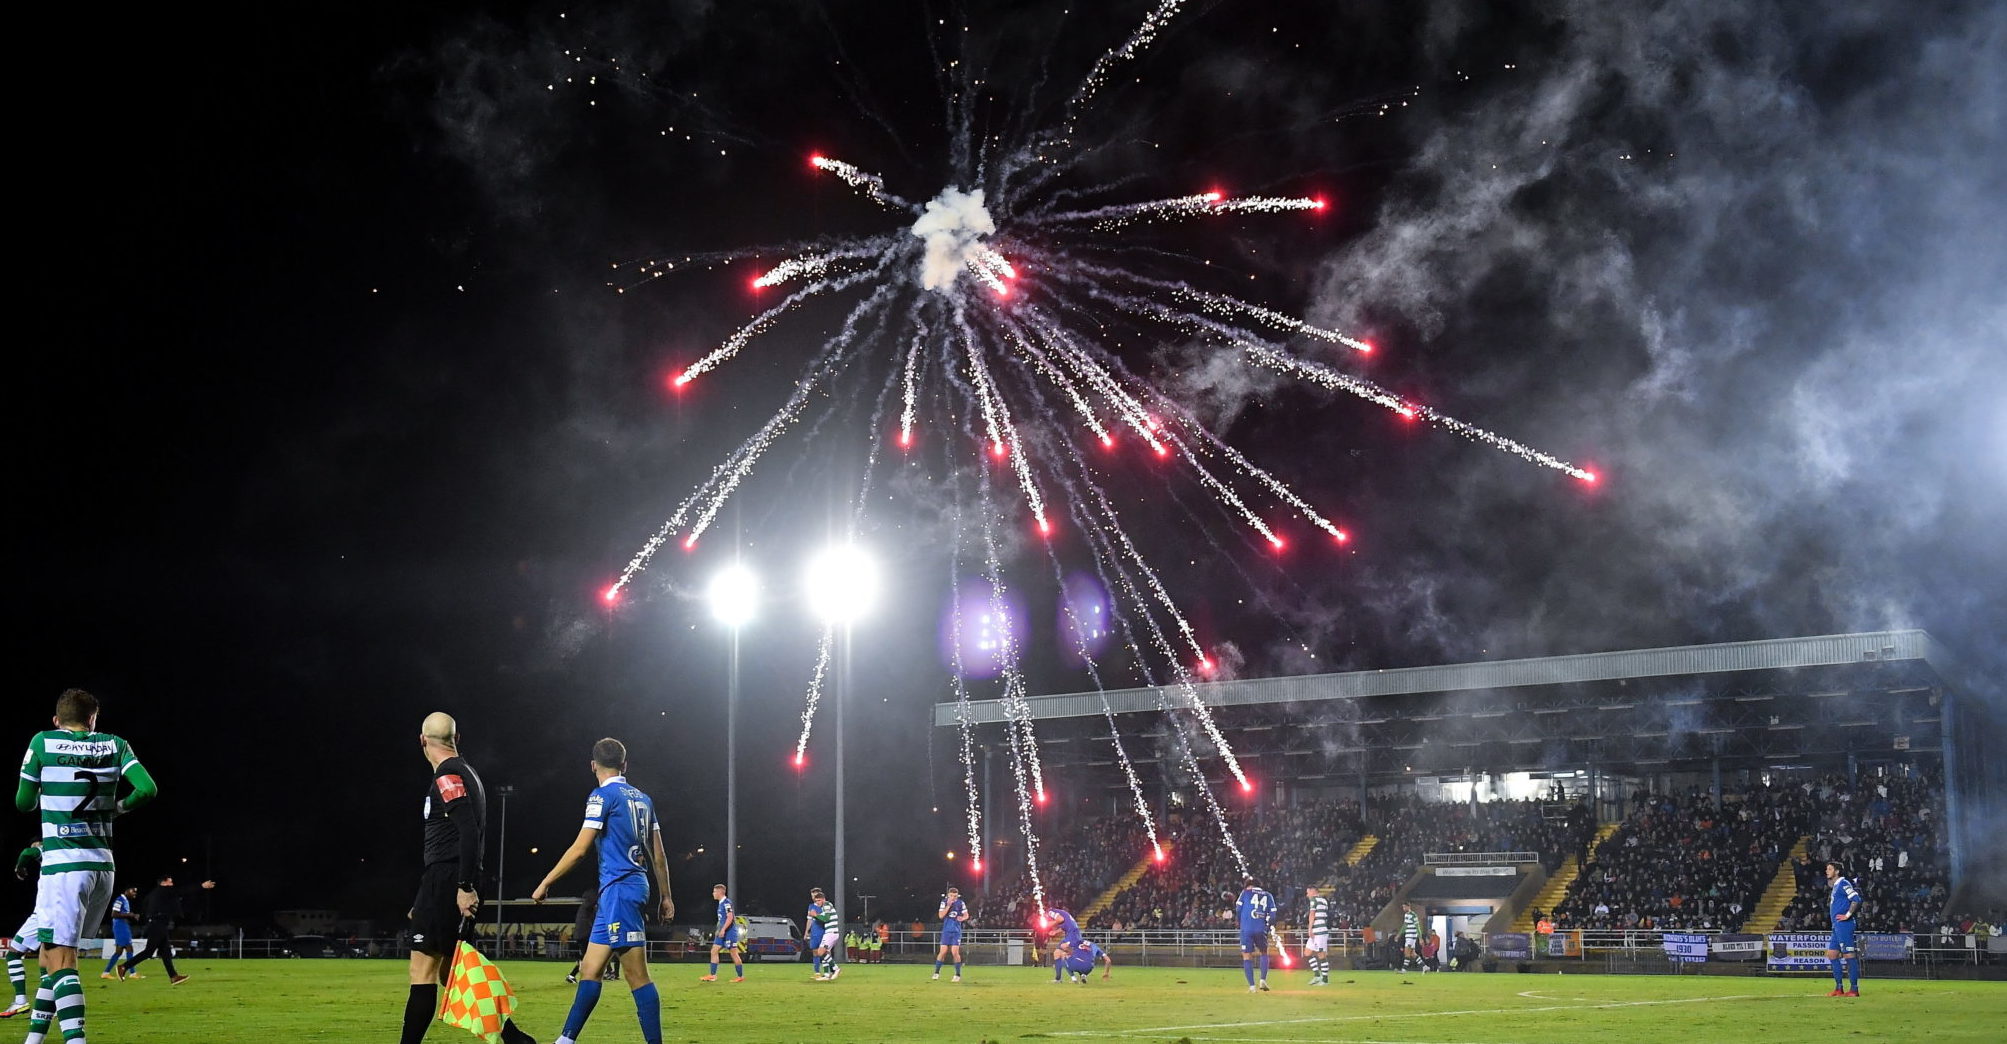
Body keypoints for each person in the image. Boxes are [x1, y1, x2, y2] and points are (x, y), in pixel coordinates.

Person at [15, 688, 157, 1044]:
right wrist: (117, 808)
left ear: (56, 719)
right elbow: (148, 789)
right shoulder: (114, 744)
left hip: (64, 866)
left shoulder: (43, 741)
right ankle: (33, 1041)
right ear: (93, 719)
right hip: (102, 867)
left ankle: (76, 1040)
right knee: (49, 959)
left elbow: (23, 802)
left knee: (63, 962)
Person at [400, 712, 536, 1044]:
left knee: (423, 972)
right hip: (448, 879)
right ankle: (516, 1040)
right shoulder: (468, 773)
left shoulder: (447, 775)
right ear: (456, 739)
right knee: (452, 971)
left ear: (422, 741)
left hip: (448, 879)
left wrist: (463, 887)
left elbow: (468, 832)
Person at [532, 738, 674, 1044]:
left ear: (593, 765)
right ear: (625, 765)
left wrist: (546, 882)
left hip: (621, 890)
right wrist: (666, 896)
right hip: (622, 890)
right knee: (590, 968)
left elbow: (580, 849)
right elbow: (659, 856)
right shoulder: (643, 799)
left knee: (637, 977)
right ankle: (565, 1040)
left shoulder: (601, 796)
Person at [118, 874, 216, 982]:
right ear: (163, 883)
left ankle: (173, 977)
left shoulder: (152, 894)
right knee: (149, 952)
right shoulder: (164, 890)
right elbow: (183, 890)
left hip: (156, 924)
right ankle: (124, 967)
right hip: (158, 924)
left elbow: (144, 908)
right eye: (170, 881)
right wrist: (201, 885)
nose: (172, 884)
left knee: (166, 952)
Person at [4, 843, 45, 1019]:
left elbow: (28, 852)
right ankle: (55, 1005)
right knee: (51, 959)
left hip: (44, 913)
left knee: (13, 953)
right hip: (66, 912)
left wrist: (20, 868)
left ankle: (21, 1000)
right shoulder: (69, 852)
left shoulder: (48, 848)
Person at [1825, 860, 1862, 997]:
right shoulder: (1835, 886)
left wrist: (1847, 915)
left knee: (1848, 955)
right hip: (1836, 925)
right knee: (1832, 955)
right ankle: (1839, 988)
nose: (1827, 871)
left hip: (1844, 925)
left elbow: (1856, 899)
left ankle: (1854, 989)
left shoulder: (1844, 883)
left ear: (1837, 871)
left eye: (1829, 869)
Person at [1236, 878, 1276, 993]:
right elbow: (1273, 916)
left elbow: (1238, 909)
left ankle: (1252, 987)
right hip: (1261, 928)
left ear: (1249, 886)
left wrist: (1240, 921)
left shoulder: (1245, 893)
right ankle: (1262, 979)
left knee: (1247, 956)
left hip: (1247, 928)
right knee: (1264, 952)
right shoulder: (1268, 895)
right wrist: (1267, 928)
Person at [701, 884, 743, 982]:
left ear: (720, 892)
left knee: (733, 953)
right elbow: (722, 919)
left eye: (714, 891)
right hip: (721, 932)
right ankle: (713, 975)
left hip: (730, 932)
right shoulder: (721, 903)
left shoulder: (727, 903)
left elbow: (730, 917)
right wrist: (718, 929)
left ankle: (740, 976)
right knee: (714, 951)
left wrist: (723, 929)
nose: (713, 893)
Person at [100, 886, 139, 979]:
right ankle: (132, 973)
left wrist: (131, 916)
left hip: (123, 925)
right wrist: (129, 914)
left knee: (119, 951)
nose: (134, 893)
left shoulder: (125, 901)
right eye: (132, 891)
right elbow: (114, 914)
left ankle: (105, 973)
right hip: (120, 926)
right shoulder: (119, 900)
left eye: (135, 892)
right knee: (129, 948)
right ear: (126, 891)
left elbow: (122, 913)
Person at [933, 886, 968, 982]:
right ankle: (936, 972)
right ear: (948, 895)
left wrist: (963, 918)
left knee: (954, 952)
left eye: (955, 896)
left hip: (956, 931)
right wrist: (948, 906)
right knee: (943, 951)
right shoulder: (944, 902)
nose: (953, 898)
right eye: (952, 896)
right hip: (946, 931)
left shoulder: (961, 903)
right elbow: (941, 916)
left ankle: (957, 974)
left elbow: (966, 915)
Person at [805, 888, 840, 980]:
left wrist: (815, 915)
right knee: (824, 953)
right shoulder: (823, 907)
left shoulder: (827, 904)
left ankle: (835, 969)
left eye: (819, 900)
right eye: (816, 901)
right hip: (830, 932)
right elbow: (823, 918)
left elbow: (826, 919)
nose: (818, 902)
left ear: (823, 899)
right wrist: (815, 916)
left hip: (831, 933)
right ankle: (826, 975)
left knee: (820, 952)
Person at [1302, 886, 1330, 986]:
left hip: (1319, 931)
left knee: (1321, 954)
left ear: (1313, 891)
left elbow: (1312, 914)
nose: (1307, 895)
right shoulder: (1324, 901)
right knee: (1307, 952)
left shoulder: (1314, 900)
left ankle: (1325, 980)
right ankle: (1317, 976)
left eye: (1308, 892)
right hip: (1319, 929)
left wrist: (1309, 928)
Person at [1400, 902, 1422, 972]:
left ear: (1408, 906)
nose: (1403, 908)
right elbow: (1405, 925)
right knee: (1413, 953)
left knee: (1407, 952)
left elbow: (1417, 927)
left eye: (1404, 907)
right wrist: (1399, 934)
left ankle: (1404, 969)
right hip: (1408, 936)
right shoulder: (1406, 915)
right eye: (1403, 907)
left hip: (1411, 936)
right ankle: (1424, 966)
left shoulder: (1413, 915)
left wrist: (1420, 938)